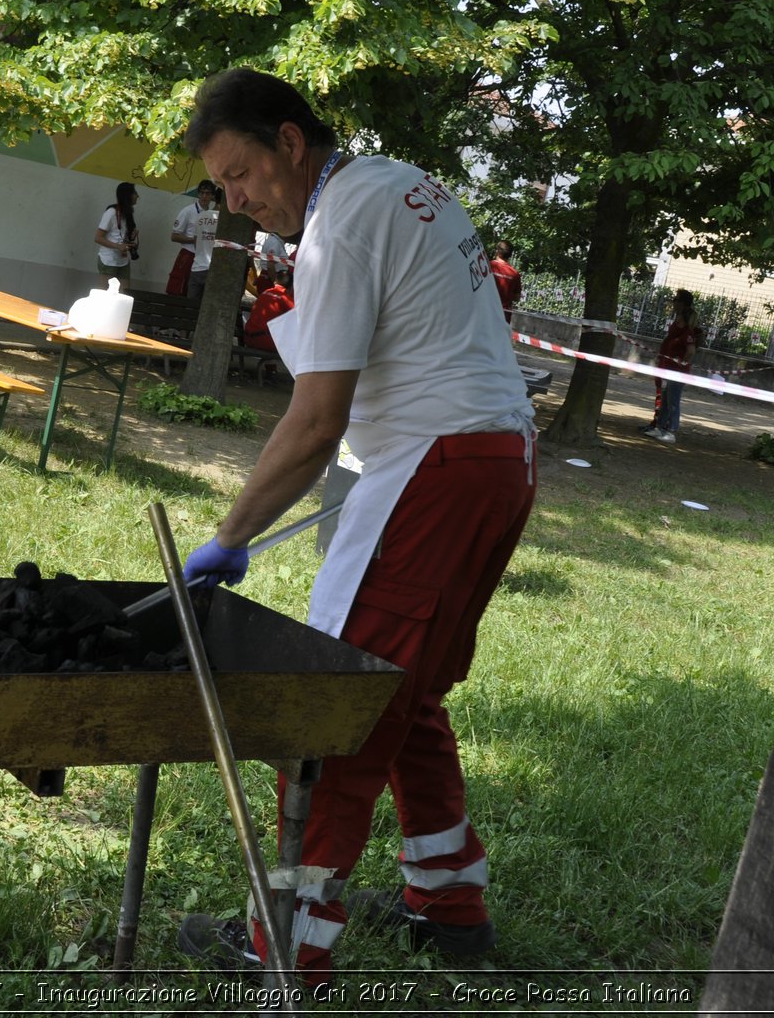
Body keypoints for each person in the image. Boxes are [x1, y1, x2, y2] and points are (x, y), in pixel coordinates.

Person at [174, 69, 537, 984]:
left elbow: (314, 422)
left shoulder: (340, 224)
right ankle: (449, 902)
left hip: (436, 469)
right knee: (401, 695)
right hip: (498, 463)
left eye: (242, 174)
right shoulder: (395, 182)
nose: (238, 199)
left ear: (291, 142)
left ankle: (284, 947)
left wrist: (232, 533)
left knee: (335, 708)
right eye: (221, 187)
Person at [645, 289, 700, 443]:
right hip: (667, 368)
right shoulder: (677, 331)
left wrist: (681, 362)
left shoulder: (686, 333)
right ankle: (659, 427)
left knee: (673, 401)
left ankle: (671, 431)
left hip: (677, 371)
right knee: (665, 399)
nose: (675, 321)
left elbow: (691, 350)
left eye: (676, 300)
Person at [167, 180, 219, 297]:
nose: (204, 196)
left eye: (208, 193)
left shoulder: (211, 214)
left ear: (212, 196)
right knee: (178, 287)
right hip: (188, 253)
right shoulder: (188, 211)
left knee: (195, 292)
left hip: (202, 258)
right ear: (198, 194)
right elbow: (174, 236)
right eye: (202, 193)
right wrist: (194, 240)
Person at [94, 182, 140, 282]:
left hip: (123, 261)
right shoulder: (111, 212)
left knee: (124, 294)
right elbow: (98, 238)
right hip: (108, 260)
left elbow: (120, 237)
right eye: (135, 193)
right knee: (106, 294)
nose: (137, 196)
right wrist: (118, 246)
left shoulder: (128, 214)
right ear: (127, 195)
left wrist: (131, 238)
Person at [489, 240, 522, 323]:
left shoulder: (488, 265)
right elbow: (517, 298)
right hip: (503, 315)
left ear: (497, 251)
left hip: (486, 311)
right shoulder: (515, 274)